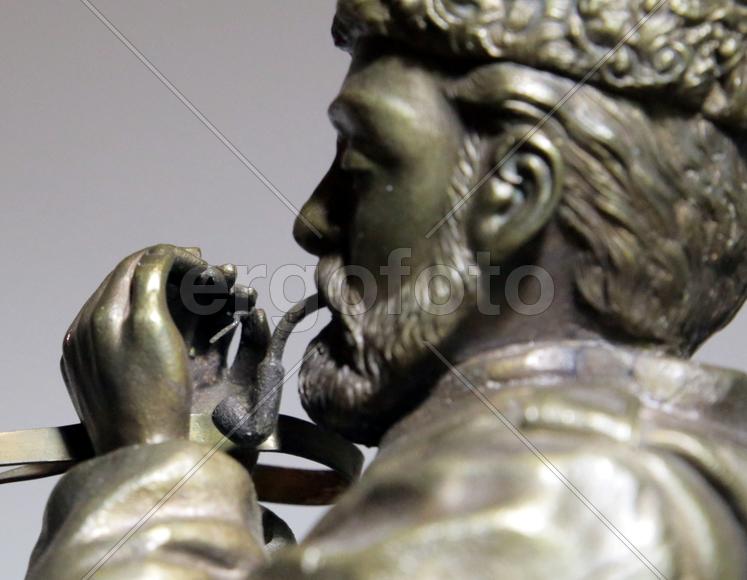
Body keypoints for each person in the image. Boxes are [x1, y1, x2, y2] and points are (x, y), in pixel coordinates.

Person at [27, 1, 747, 578]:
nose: (311, 221)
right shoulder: (654, 476)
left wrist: (149, 472)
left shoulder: (542, 503)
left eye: (361, 161)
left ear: (513, 194)